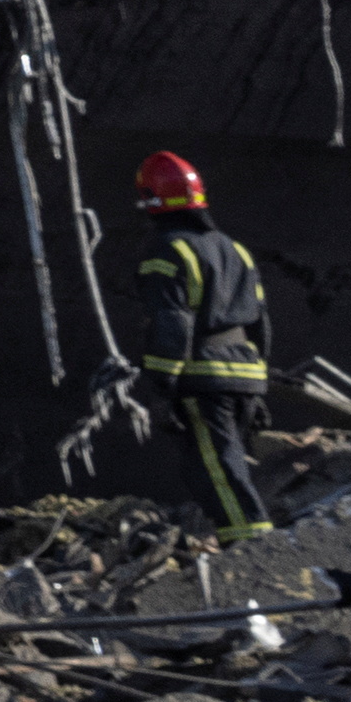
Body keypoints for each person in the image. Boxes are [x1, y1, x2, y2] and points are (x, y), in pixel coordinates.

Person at [126, 151, 280, 540]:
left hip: (202, 378)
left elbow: (172, 322)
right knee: (229, 467)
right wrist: (257, 384)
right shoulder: (235, 249)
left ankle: (253, 549)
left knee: (215, 472)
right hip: (243, 372)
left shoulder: (166, 250)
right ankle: (247, 541)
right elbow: (260, 322)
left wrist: (161, 388)